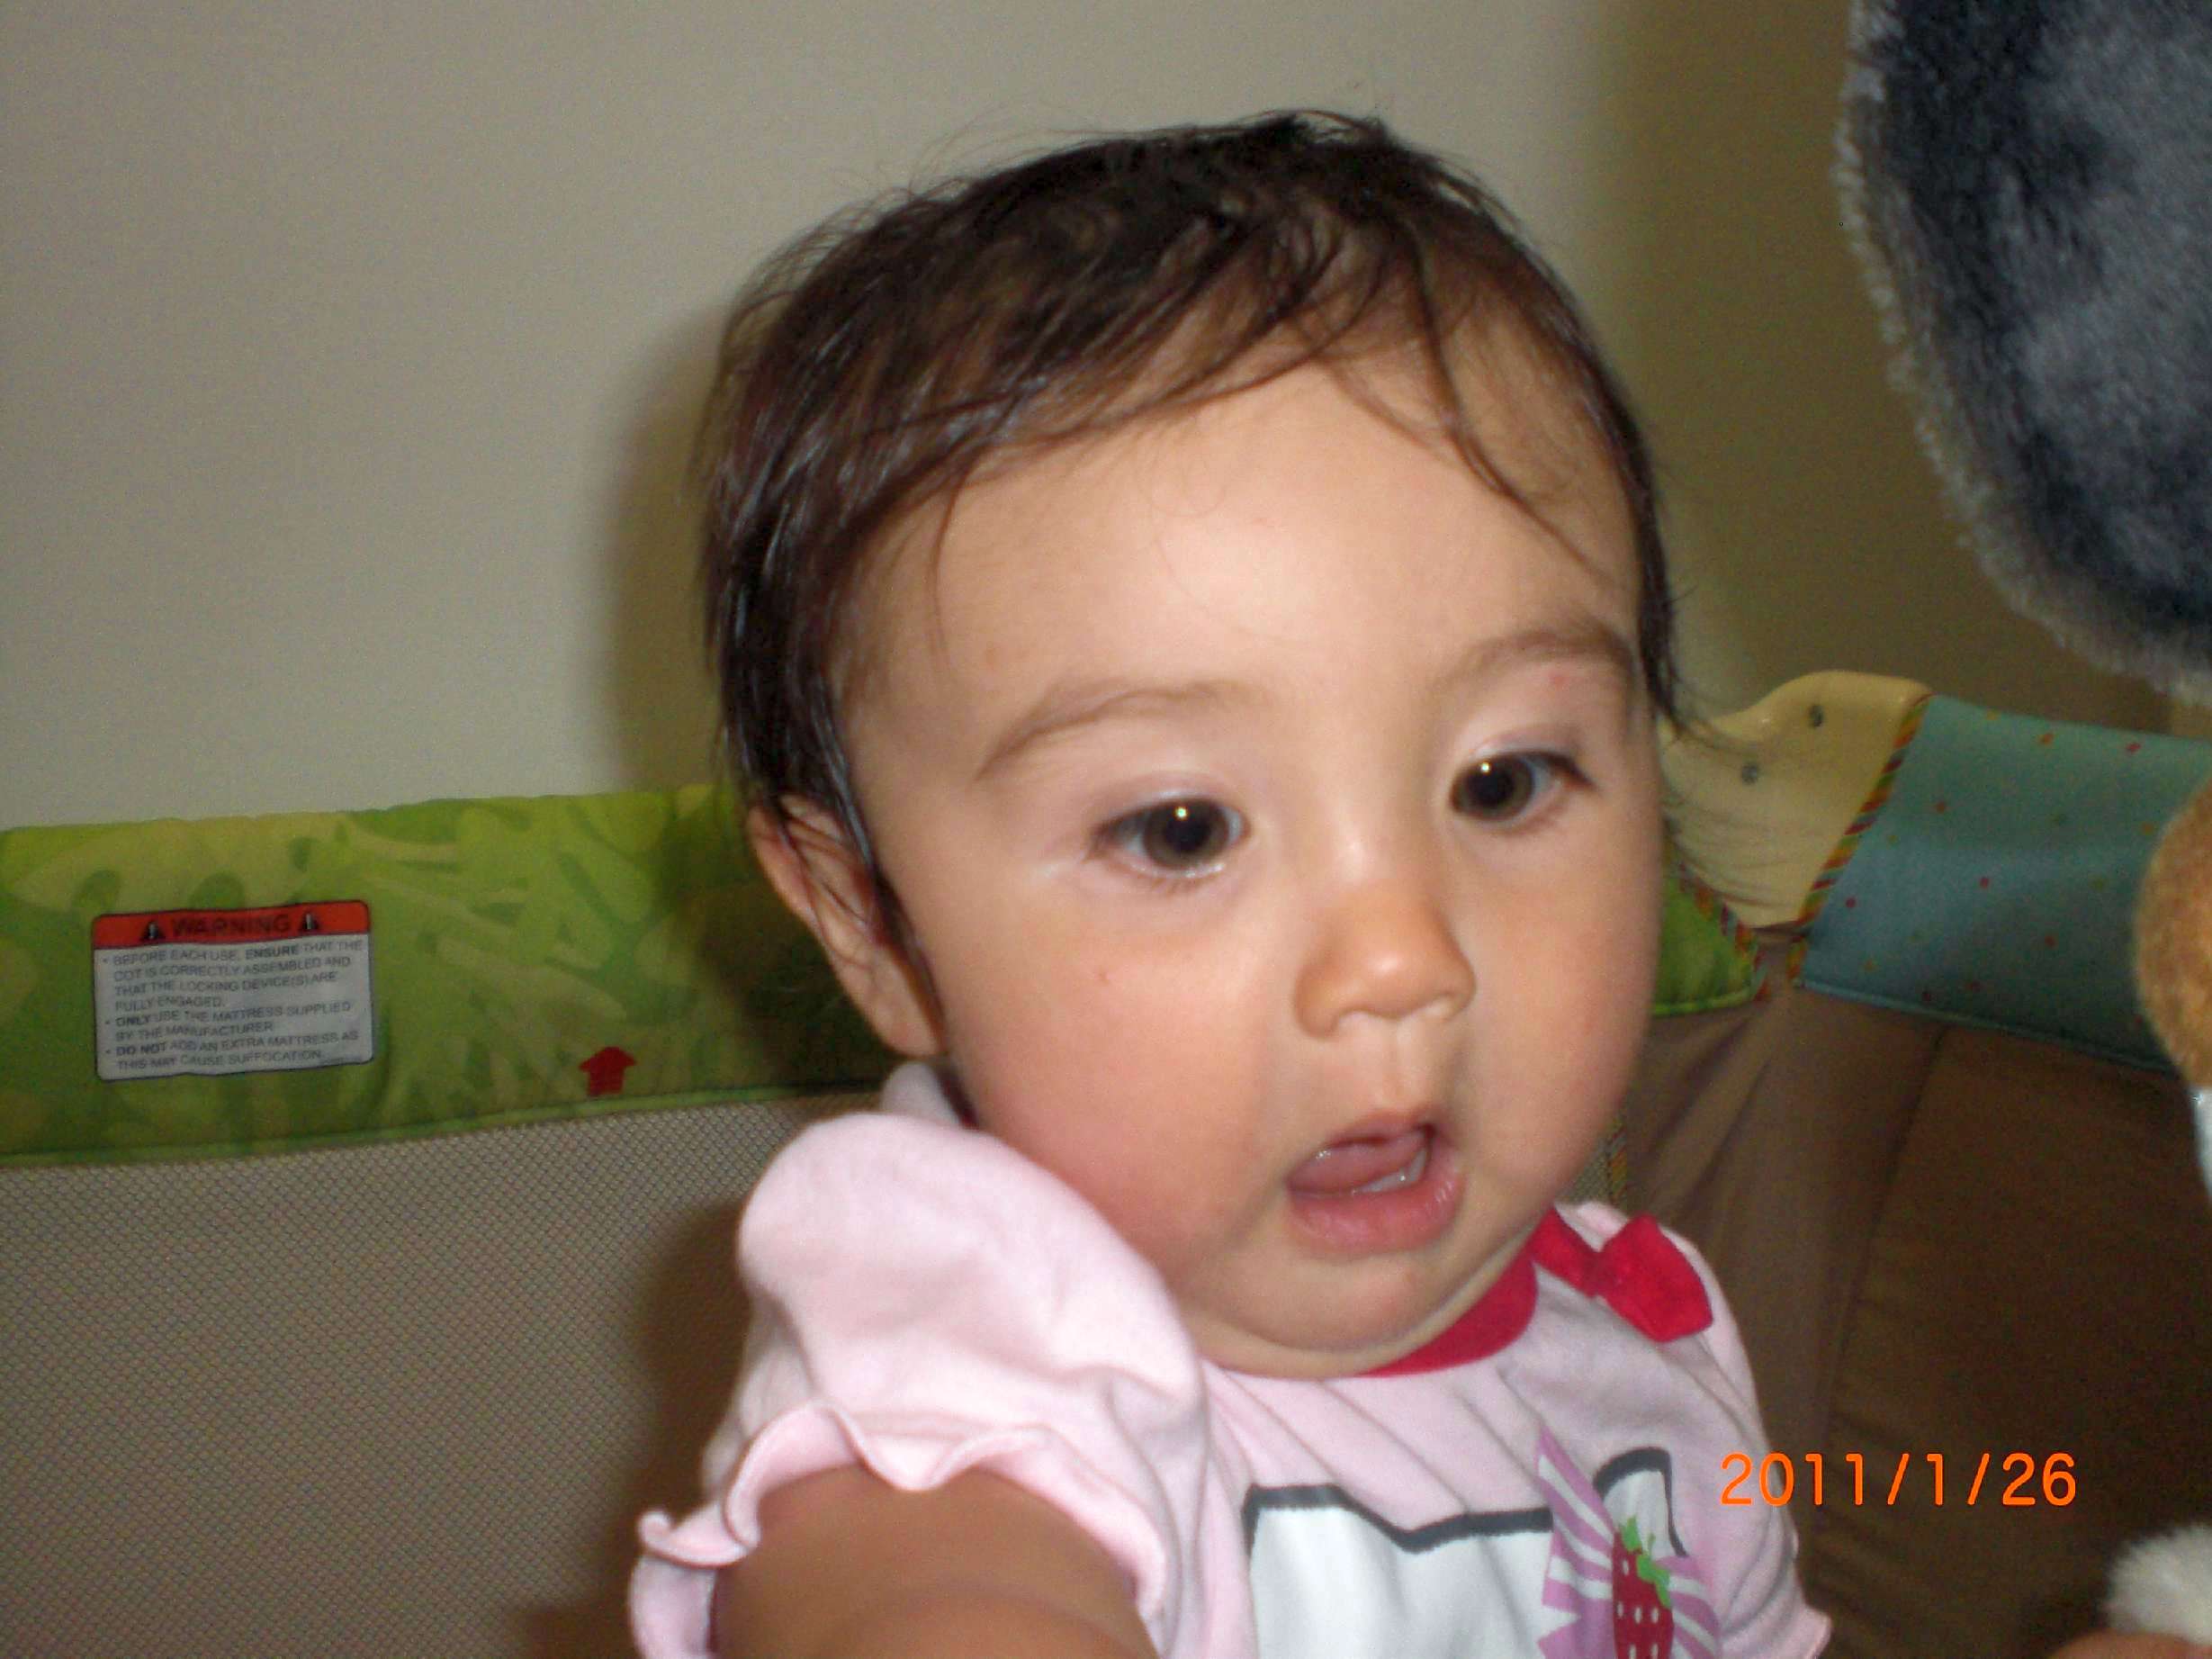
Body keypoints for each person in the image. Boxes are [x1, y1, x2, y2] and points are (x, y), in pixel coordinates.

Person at [631, 111, 1830, 1658]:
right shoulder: (970, 1349)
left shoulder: (1648, 1358)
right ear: (875, 927)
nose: (1400, 959)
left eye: (1501, 781)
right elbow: (923, 1584)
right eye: (1183, 830)